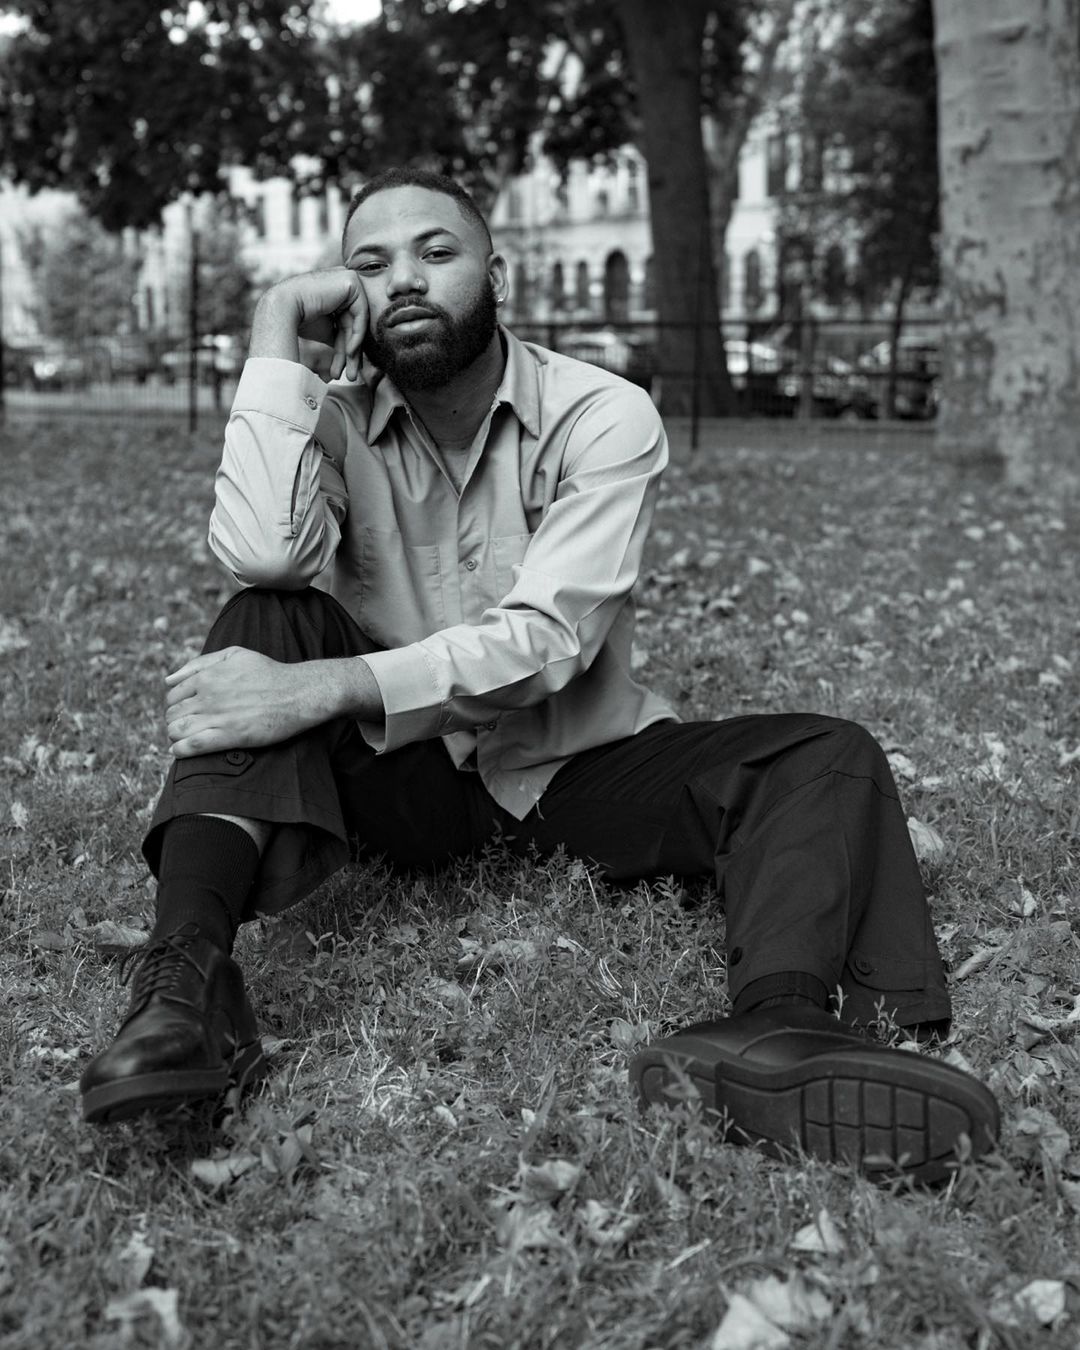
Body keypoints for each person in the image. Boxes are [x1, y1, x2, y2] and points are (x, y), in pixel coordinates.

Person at [80, 168, 998, 1183]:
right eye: (370, 265)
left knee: (824, 754)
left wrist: (323, 688)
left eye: (437, 251)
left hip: (574, 770)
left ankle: (780, 1033)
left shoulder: (601, 414)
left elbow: (548, 638)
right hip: (404, 776)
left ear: (498, 275)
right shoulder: (331, 422)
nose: (406, 280)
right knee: (267, 615)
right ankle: (182, 993)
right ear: (347, 297)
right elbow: (263, 553)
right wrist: (272, 336)